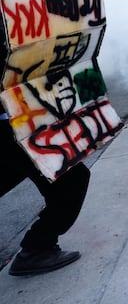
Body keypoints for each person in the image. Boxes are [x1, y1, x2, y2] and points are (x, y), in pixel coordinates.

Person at [1, 112, 90, 276]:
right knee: (71, 179)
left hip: (13, 122)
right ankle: (36, 249)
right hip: (12, 125)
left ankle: (37, 248)